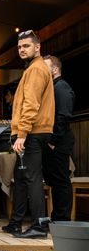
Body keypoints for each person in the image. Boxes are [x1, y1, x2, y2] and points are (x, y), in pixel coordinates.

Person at [2, 30, 54, 239]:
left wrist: (22, 133)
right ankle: (16, 223)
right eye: (20, 47)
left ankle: (39, 227)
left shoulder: (36, 69)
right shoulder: (34, 68)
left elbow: (31, 105)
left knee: (32, 178)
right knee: (21, 177)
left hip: (32, 132)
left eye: (26, 46)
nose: (22, 50)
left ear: (37, 47)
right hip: (33, 131)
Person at [43, 55, 75, 222]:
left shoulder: (61, 88)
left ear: (54, 69)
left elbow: (63, 116)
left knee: (61, 180)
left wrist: (52, 141)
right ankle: (57, 218)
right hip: (55, 140)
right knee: (54, 180)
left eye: (45, 67)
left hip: (60, 141)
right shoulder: (52, 87)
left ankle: (63, 219)